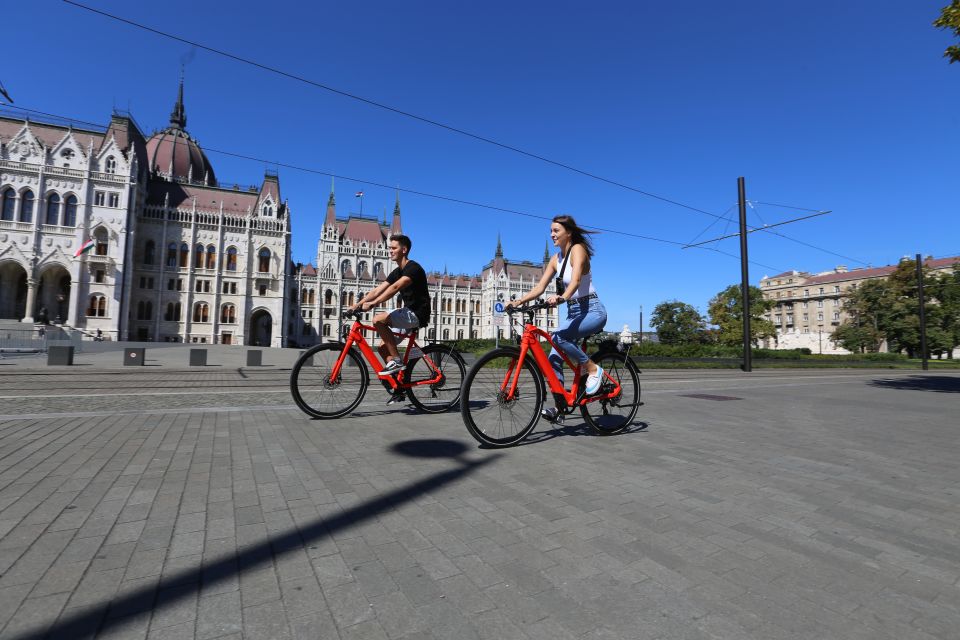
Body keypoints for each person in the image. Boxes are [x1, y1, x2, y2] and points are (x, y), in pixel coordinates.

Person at [506, 215, 608, 423]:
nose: (552, 234)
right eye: (551, 231)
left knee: (558, 338)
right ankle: (561, 407)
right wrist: (518, 302)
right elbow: (539, 287)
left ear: (568, 233)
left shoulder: (578, 249)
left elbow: (577, 279)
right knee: (553, 357)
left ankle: (593, 369)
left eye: (556, 231)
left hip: (592, 311)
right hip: (573, 313)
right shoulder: (555, 259)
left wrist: (563, 297)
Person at [349, 234, 431, 404]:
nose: (390, 251)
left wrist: (373, 305)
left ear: (404, 249)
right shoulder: (397, 271)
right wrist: (358, 304)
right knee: (381, 347)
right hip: (407, 312)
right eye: (389, 248)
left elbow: (395, 288)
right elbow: (378, 289)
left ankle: (397, 361)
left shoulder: (413, 268)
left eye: (393, 248)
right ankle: (398, 386)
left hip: (417, 314)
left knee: (378, 320)